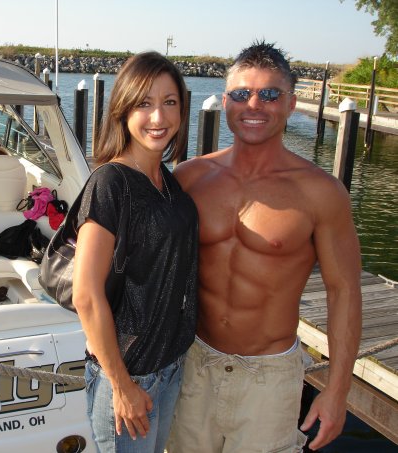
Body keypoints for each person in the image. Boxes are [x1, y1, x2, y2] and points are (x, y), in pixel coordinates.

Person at [167, 40, 362, 452]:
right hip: (193, 363)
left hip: (268, 378)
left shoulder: (320, 192)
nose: (253, 105)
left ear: (291, 104)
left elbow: (343, 291)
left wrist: (337, 390)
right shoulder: (189, 177)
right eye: (241, 94)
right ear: (225, 102)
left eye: (270, 94)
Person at [72, 51, 199, 452]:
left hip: (169, 367)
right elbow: (86, 295)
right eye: (144, 103)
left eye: (169, 102)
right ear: (123, 109)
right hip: (130, 377)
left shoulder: (168, 182)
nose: (158, 117)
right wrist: (122, 386)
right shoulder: (110, 183)